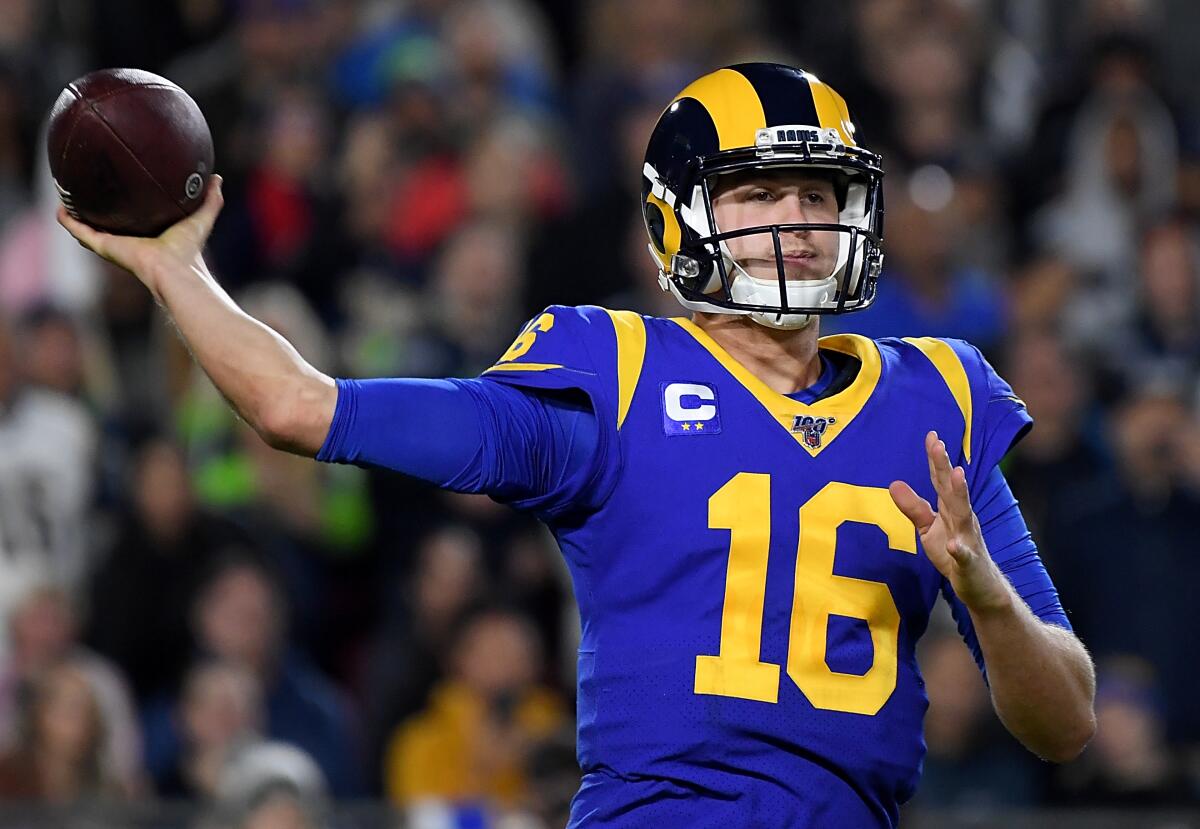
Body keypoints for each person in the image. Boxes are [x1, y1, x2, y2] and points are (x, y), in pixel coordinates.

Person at [58, 62, 1095, 828]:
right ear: (680, 223)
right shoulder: (619, 377)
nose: (794, 222)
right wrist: (174, 271)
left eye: (815, 195)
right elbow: (299, 406)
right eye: (756, 193)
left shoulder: (934, 398)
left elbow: (1065, 719)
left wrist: (989, 599)